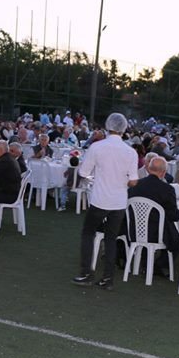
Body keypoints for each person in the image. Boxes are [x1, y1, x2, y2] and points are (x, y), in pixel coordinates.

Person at [72, 113, 138, 290]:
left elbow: (83, 172)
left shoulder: (97, 147)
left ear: (108, 126)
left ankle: (86, 273)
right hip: (118, 201)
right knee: (111, 239)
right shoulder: (130, 152)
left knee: (88, 233)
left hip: (100, 199)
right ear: (124, 129)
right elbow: (133, 181)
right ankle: (108, 279)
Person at [125, 156, 179, 277]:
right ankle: (159, 264)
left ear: (149, 169)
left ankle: (145, 262)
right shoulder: (167, 189)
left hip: (134, 230)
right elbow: (174, 216)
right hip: (157, 234)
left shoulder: (135, 185)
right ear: (163, 172)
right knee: (177, 239)